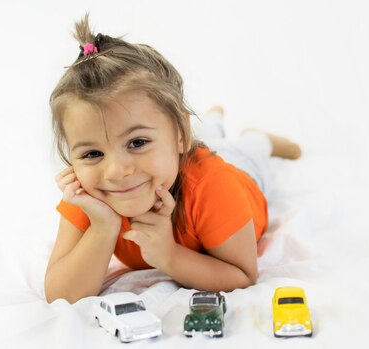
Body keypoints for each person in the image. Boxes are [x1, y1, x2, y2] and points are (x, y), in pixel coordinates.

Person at [44, 15, 301, 303]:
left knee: (243, 149)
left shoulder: (214, 185)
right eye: (92, 153)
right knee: (202, 136)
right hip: (175, 153)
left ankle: (257, 138)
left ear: (181, 134)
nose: (115, 171)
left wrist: (169, 255)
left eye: (137, 142)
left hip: (240, 168)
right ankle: (212, 121)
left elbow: (242, 274)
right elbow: (60, 295)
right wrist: (103, 227)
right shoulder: (88, 193)